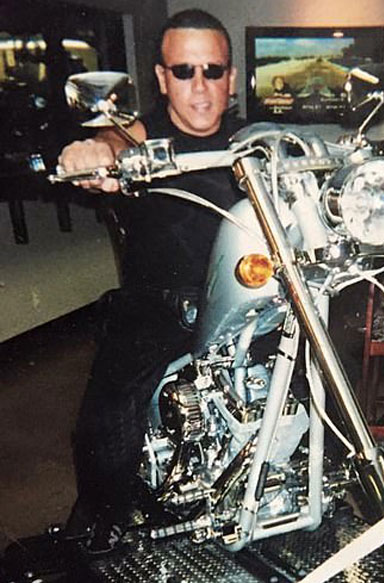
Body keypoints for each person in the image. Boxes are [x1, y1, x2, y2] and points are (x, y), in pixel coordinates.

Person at [58, 9, 245, 553]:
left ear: (231, 77)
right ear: (163, 78)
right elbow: (112, 143)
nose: (200, 87)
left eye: (213, 70)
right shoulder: (140, 136)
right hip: (160, 305)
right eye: (184, 71)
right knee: (107, 417)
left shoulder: (251, 139)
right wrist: (93, 152)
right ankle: (103, 529)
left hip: (247, 300)